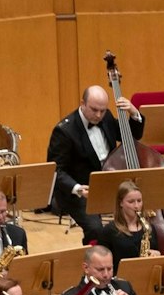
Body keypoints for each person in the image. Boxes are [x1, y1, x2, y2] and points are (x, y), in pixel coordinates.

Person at [47, 84, 143, 234]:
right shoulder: (64, 131)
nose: (99, 115)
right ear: (82, 104)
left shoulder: (107, 117)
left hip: (108, 183)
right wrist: (77, 188)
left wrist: (134, 113)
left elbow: (131, 136)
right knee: (96, 229)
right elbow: (56, 170)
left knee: (138, 216)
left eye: (102, 110)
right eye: (94, 110)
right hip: (81, 190)